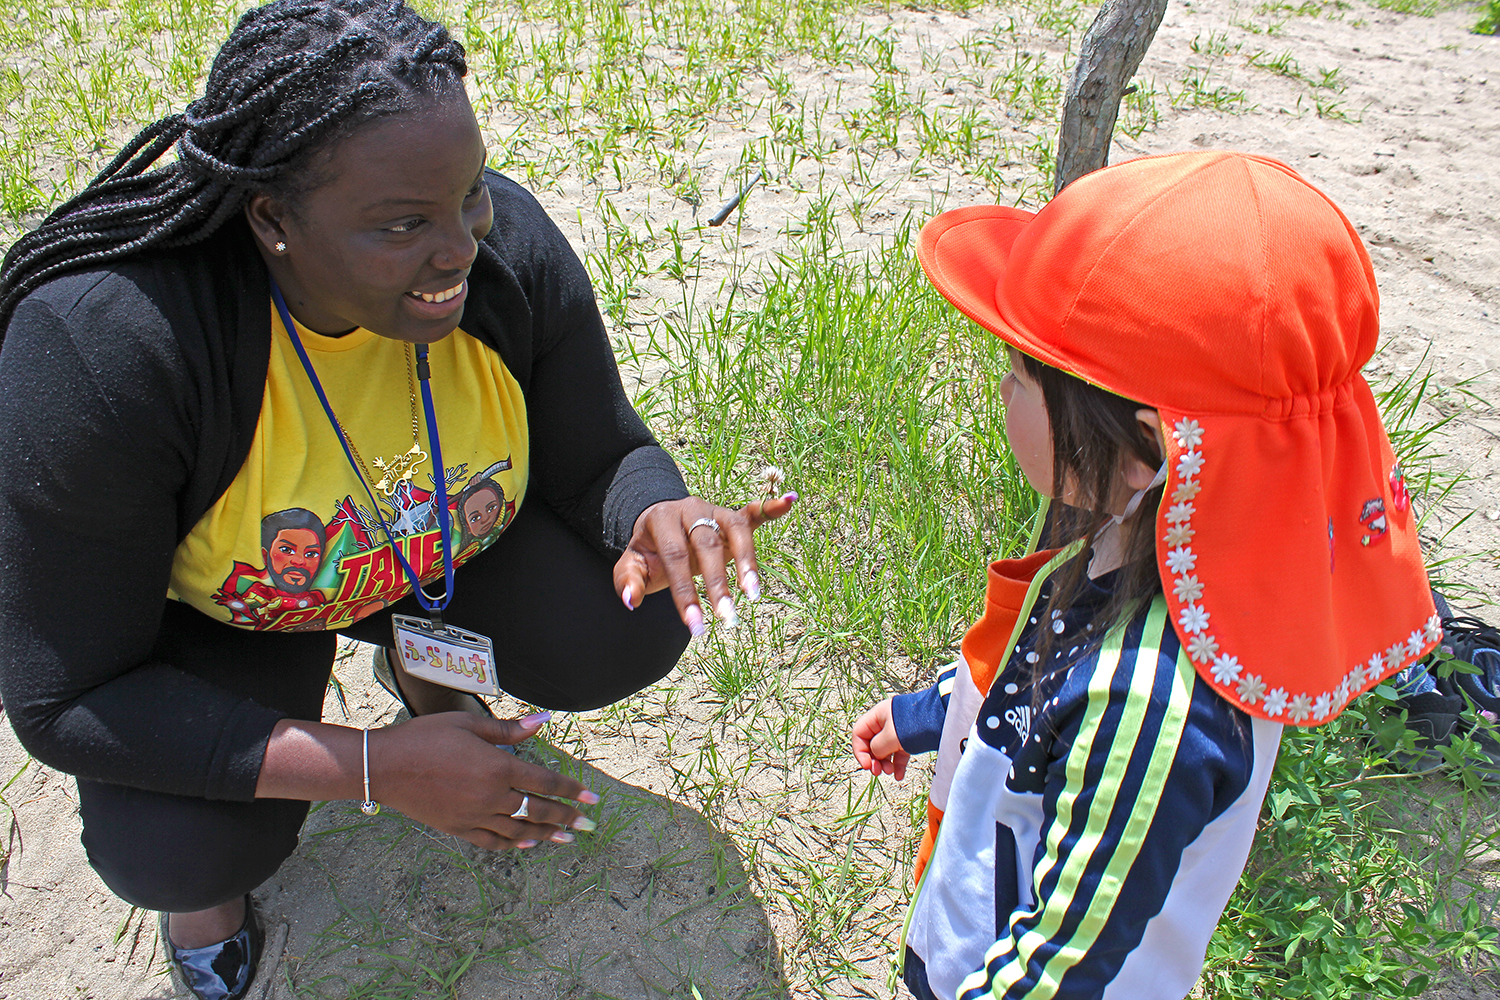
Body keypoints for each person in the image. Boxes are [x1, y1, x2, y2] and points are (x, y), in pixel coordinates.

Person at [0, 3, 794, 998]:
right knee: (176, 844)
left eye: (466, 197)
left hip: (424, 555)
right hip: (232, 613)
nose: (460, 245)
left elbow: (602, 452)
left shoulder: (499, 259)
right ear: (272, 219)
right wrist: (372, 769)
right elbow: (65, 694)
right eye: (402, 223)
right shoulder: (111, 350)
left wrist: (654, 512)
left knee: (624, 623)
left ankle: (418, 669)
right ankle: (207, 907)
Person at [851, 151, 1440, 999]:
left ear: (1144, 450)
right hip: (973, 923)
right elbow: (1034, 667)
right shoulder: (1145, 535)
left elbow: (1065, 962)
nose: (1002, 390)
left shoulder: (1150, 705)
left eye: (1020, 375)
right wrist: (930, 712)